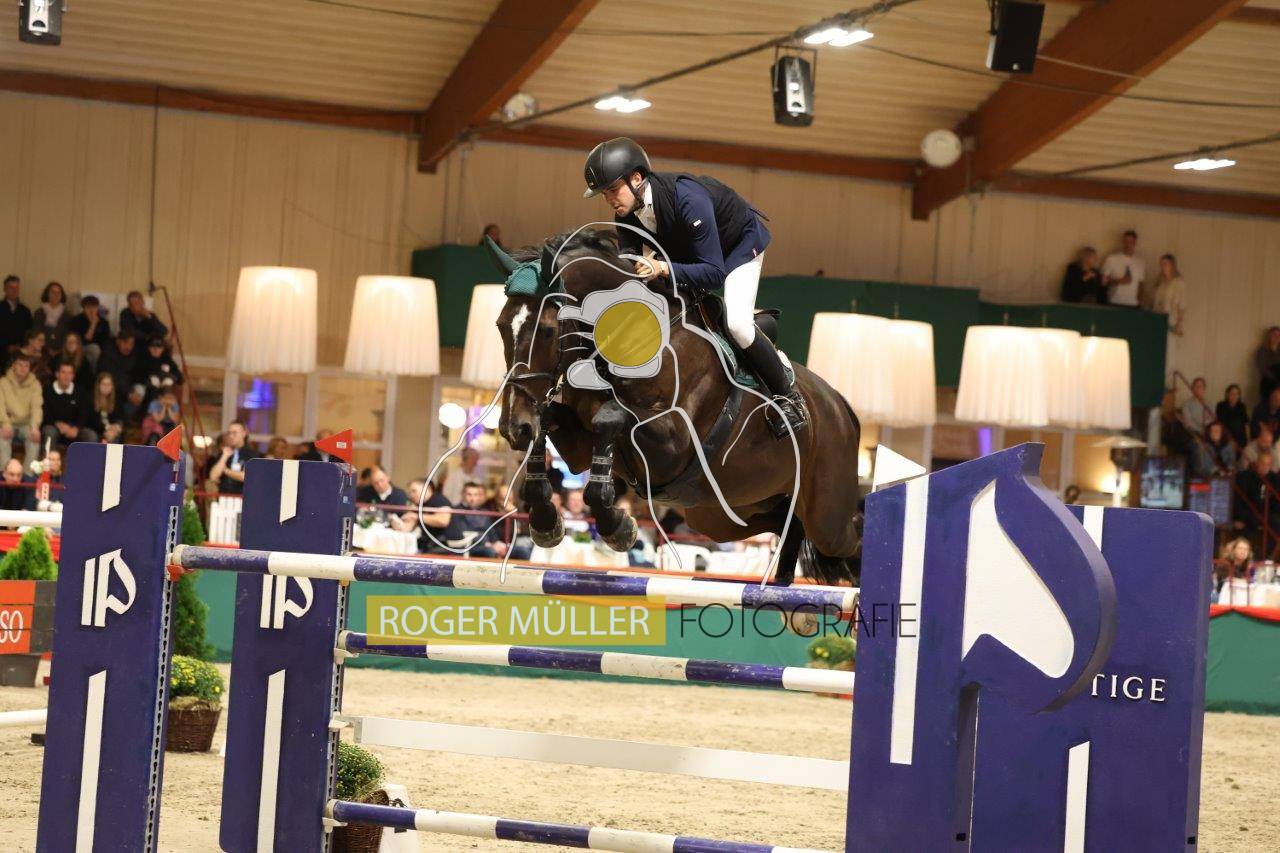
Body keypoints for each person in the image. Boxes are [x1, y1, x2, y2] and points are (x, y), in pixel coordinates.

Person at [582, 137, 805, 437]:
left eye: (612, 189)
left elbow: (713, 274)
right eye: (603, 193)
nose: (609, 199)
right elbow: (629, 274)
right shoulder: (627, 215)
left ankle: (787, 397)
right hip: (692, 253)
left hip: (737, 247)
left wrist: (662, 268)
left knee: (737, 325)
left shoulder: (688, 198)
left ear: (636, 178)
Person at [42, 360, 96, 449]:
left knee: (91, 435)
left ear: (73, 376)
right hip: (54, 426)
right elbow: (45, 413)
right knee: (49, 431)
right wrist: (58, 424)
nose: (66, 376)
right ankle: (49, 458)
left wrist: (76, 428)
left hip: (74, 428)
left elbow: (84, 413)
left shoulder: (80, 392)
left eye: (70, 373)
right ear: (57, 374)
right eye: (63, 372)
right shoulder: (47, 391)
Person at [0, 356, 42, 469]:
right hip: (8, 422)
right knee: (2, 437)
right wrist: (5, 423)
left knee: (34, 437)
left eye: (26, 366)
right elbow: (0, 406)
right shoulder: (3, 382)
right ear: (13, 366)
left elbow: (36, 407)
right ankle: (5, 473)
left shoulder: (35, 384)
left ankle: (28, 474)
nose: (23, 368)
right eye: (20, 365)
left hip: (26, 424)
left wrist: (34, 426)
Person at [446, 482, 508, 558]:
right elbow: (463, 533)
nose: (473, 498)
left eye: (475, 495)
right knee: (490, 551)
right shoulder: (457, 511)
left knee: (518, 550)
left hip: (487, 545)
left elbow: (492, 533)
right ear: (462, 494)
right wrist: (486, 543)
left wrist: (497, 543)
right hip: (468, 547)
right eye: (469, 494)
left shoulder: (484, 512)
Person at [395, 479, 454, 554]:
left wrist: (417, 516)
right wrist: (396, 522)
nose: (411, 495)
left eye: (414, 491)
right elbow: (406, 528)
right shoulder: (417, 505)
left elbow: (443, 521)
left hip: (446, 544)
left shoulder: (440, 499)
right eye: (410, 492)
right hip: (428, 544)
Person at [1151, 253, 1186, 375]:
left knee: (1169, 355)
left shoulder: (1179, 283)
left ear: (1172, 266)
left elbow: (1182, 304)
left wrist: (1179, 323)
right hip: (1158, 321)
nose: (1163, 267)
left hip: (1170, 323)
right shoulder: (1161, 284)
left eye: (1165, 264)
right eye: (1161, 264)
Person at [98, 331, 143, 420]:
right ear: (118, 341)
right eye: (125, 342)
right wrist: (129, 393)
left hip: (127, 387)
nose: (128, 347)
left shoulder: (134, 354)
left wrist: (133, 391)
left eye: (131, 344)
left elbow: (136, 374)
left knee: (140, 390)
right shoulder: (108, 353)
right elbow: (112, 377)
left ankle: (127, 419)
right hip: (112, 387)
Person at [206, 421, 257, 495]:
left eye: (234, 433)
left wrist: (225, 470)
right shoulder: (225, 452)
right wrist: (224, 456)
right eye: (229, 433)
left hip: (242, 497)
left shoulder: (251, 454)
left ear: (244, 434)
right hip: (223, 496)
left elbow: (246, 476)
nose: (231, 436)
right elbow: (213, 477)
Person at [1101, 229, 1145, 308]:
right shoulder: (1111, 259)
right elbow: (1103, 282)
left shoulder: (1140, 262)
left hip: (1133, 304)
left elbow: (1140, 284)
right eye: (1126, 241)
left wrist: (1140, 301)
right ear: (1122, 242)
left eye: (1131, 242)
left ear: (1135, 243)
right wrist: (1118, 281)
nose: (1128, 245)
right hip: (1114, 302)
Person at [135, 336, 182, 408]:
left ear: (163, 349)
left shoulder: (167, 359)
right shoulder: (143, 359)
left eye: (159, 347)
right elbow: (137, 376)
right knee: (140, 390)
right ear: (148, 348)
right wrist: (150, 380)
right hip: (147, 388)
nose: (156, 349)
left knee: (169, 392)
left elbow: (178, 375)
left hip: (164, 389)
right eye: (153, 347)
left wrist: (169, 378)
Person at [68, 294, 112, 368]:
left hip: (99, 349)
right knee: (94, 348)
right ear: (84, 308)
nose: (91, 310)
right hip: (80, 347)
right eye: (88, 307)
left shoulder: (104, 322)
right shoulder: (76, 320)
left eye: (94, 307)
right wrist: (93, 324)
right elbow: (84, 340)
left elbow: (106, 340)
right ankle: (95, 373)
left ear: (97, 308)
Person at [33, 282, 72, 351]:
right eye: (53, 292)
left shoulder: (67, 314)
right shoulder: (39, 312)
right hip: (42, 350)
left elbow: (69, 335)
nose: (56, 295)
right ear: (47, 294)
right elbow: (36, 333)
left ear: (62, 295)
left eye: (59, 292)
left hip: (61, 350)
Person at [0, 275, 33, 356]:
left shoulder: (25, 311)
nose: (14, 290)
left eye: (17, 287)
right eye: (11, 287)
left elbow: (30, 333)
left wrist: (21, 346)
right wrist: (6, 347)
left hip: (20, 353)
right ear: (5, 289)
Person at [89, 372, 125, 444]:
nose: (106, 387)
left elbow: (120, 418)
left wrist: (116, 428)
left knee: (116, 434)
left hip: (111, 432)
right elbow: (90, 421)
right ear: (98, 385)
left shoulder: (117, 400)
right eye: (103, 384)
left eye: (109, 384)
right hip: (95, 430)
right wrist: (107, 429)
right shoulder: (90, 398)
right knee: (92, 436)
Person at [1216, 384, 1250, 449]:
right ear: (1227, 394)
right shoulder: (1221, 406)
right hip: (1226, 436)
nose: (1234, 396)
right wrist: (1230, 440)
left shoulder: (1242, 406)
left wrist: (1248, 439)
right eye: (1232, 393)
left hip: (1240, 437)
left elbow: (1246, 424)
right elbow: (1220, 424)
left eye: (1237, 394)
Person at [1256, 326, 1280, 404]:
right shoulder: (1262, 351)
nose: (1277, 337)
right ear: (1269, 336)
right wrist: (1276, 381)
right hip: (1269, 383)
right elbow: (1263, 369)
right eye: (1274, 334)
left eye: (1279, 335)